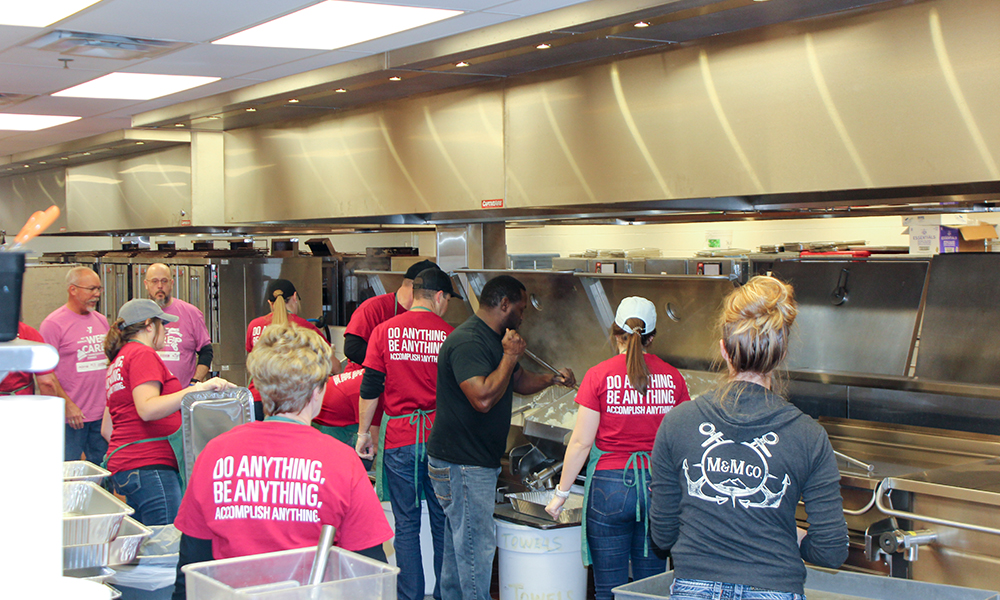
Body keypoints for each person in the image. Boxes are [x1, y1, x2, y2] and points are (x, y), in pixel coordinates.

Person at [648, 276, 848, 600]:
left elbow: (663, 536)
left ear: (724, 350)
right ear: (781, 354)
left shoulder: (677, 423)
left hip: (694, 587)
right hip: (775, 588)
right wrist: (788, 534)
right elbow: (831, 550)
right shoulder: (809, 436)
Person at [172, 323, 393, 600]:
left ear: (260, 386)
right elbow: (369, 572)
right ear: (318, 392)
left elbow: (191, 564)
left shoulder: (215, 454)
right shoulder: (341, 462)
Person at [425, 274, 576, 600]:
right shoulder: (469, 341)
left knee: (458, 548)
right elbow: (481, 398)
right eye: (521, 308)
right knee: (475, 550)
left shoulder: (495, 339)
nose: (523, 316)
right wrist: (509, 356)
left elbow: (517, 381)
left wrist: (552, 379)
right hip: (463, 464)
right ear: (504, 304)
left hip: (468, 461)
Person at [545, 297, 691, 600]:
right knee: (649, 591)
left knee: (608, 590)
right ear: (651, 338)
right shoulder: (674, 377)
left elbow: (582, 442)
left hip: (609, 489)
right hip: (657, 489)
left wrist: (560, 494)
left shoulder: (599, 375)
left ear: (616, 334)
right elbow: (682, 442)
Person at [357, 268, 459, 600]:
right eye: (448, 300)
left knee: (406, 525)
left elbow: (370, 387)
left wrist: (363, 434)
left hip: (399, 438)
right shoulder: (450, 335)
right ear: (439, 297)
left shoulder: (384, 331)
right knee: (442, 523)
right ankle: (444, 595)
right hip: (440, 441)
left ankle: (410, 596)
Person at [103, 299, 234, 525]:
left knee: (146, 540)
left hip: (127, 466)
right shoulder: (142, 354)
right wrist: (196, 390)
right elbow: (147, 408)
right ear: (149, 326)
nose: (166, 331)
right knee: (165, 541)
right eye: (162, 325)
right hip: (149, 467)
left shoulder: (118, 361)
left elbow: (107, 428)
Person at [40, 267, 110, 462]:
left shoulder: (101, 321)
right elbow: (46, 372)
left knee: (104, 469)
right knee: (68, 470)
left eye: (99, 289)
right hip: (71, 417)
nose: (97, 294)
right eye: (91, 289)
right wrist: (68, 405)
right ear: (73, 290)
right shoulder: (53, 324)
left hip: (101, 416)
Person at [246, 278, 335, 419]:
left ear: (269, 303)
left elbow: (252, 363)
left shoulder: (254, 326)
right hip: (290, 400)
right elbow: (333, 365)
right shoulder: (305, 327)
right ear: (294, 297)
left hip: (257, 397)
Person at [343, 259, 438, 369]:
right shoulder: (373, 308)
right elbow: (352, 348)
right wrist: (391, 366)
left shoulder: (425, 316)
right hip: (365, 375)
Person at [143, 263, 213, 386]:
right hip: (147, 392)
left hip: (183, 392)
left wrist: (195, 382)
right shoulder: (137, 315)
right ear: (146, 284)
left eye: (164, 281)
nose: (160, 286)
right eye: (154, 281)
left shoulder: (191, 313)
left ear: (172, 283)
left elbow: (206, 352)